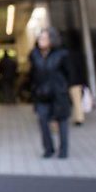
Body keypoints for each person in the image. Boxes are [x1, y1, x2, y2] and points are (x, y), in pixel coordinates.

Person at [29, 27, 71, 159]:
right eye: (40, 38)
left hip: (59, 93)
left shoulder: (62, 54)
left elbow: (68, 73)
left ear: (52, 40)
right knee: (42, 121)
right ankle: (48, 149)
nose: (41, 40)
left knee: (62, 121)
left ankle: (63, 150)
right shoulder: (34, 55)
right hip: (41, 94)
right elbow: (33, 75)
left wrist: (63, 87)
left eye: (44, 38)